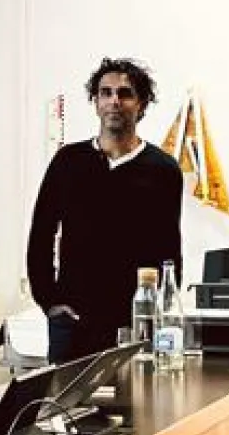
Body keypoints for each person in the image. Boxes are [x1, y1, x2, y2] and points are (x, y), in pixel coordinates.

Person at [25, 57, 183, 364]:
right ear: (95, 102)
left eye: (125, 94)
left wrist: (162, 315)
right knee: (67, 409)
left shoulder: (163, 170)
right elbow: (40, 237)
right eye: (106, 92)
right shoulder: (68, 163)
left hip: (136, 323)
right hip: (73, 323)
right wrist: (50, 302)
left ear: (142, 104)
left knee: (139, 409)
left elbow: (170, 252)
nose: (114, 101)